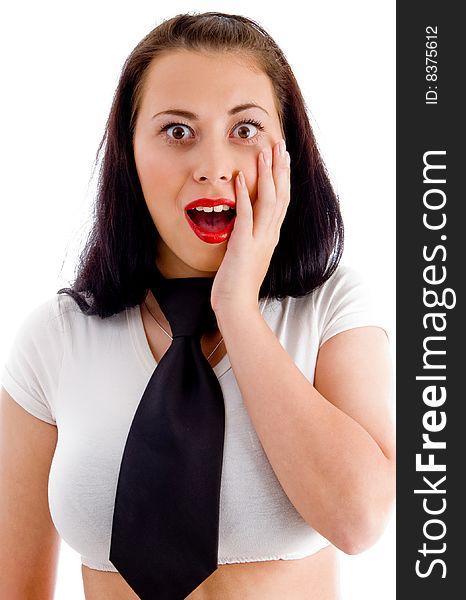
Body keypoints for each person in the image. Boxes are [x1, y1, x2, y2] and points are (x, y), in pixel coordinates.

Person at [0, 11, 395, 600]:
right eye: (177, 131)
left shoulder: (331, 308)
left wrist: (236, 306)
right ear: (128, 156)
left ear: (287, 151)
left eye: (245, 129)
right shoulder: (55, 338)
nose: (213, 168)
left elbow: (360, 519)